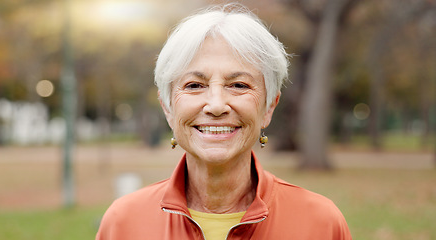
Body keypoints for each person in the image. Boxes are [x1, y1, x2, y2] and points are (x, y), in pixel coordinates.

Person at [96, 3, 352, 240]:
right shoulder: (123, 223)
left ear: (269, 107)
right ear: (167, 108)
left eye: (239, 85)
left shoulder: (321, 224)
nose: (216, 105)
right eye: (194, 85)